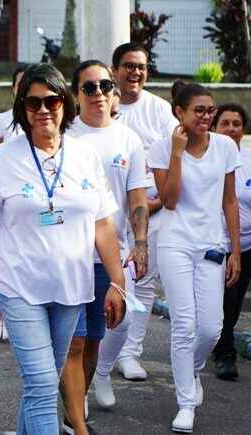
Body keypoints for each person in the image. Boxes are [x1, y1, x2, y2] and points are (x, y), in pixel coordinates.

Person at [0, 63, 125, 435]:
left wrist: (117, 282)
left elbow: (102, 223)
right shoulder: (6, 157)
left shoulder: (85, 155)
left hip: (72, 288)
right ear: (22, 109)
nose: (42, 110)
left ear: (65, 104)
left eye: (51, 101)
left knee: (41, 383)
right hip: (21, 288)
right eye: (33, 103)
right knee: (42, 385)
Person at [61, 60, 148, 435]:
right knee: (74, 341)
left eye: (105, 86)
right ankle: (74, 420)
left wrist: (141, 243)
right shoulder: (67, 135)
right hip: (68, 255)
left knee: (95, 339)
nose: (99, 93)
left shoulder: (128, 139)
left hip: (109, 259)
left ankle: (73, 407)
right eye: (89, 87)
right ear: (76, 93)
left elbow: (138, 199)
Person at [148, 82, 240, 433]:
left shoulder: (226, 147)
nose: (206, 116)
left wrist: (235, 251)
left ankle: (192, 369)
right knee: (184, 326)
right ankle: (186, 402)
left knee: (211, 328)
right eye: (198, 110)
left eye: (209, 110)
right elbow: (169, 200)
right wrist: (176, 152)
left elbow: (229, 201)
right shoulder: (161, 147)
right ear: (179, 113)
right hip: (175, 243)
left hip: (212, 243)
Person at [92, 43, 179, 408]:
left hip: (146, 215)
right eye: (128, 66)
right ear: (114, 71)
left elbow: (176, 157)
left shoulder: (159, 111)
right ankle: (82, 377)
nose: (135, 73)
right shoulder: (98, 111)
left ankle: (126, 356)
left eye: (142, 67)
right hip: (95, 227)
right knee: (88, 308)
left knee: (138, 293)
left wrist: (151, 207)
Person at [0, 64, 26, 341]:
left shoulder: (51, 120)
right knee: (7, 259)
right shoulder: (3, 121)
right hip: (8, 204)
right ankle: (3, 311)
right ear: (12, 88)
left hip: (38, 205)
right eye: (20, 84)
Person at [211, 103, 250, 380]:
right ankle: (225, 352)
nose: (231, 129)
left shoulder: (248, 159)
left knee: (235, 304)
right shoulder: (206, 157)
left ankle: (220, 343)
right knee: (225, 300)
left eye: (236, 124)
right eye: (225, 123)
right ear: (214, 127)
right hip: (215, 246)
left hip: (246, 246)